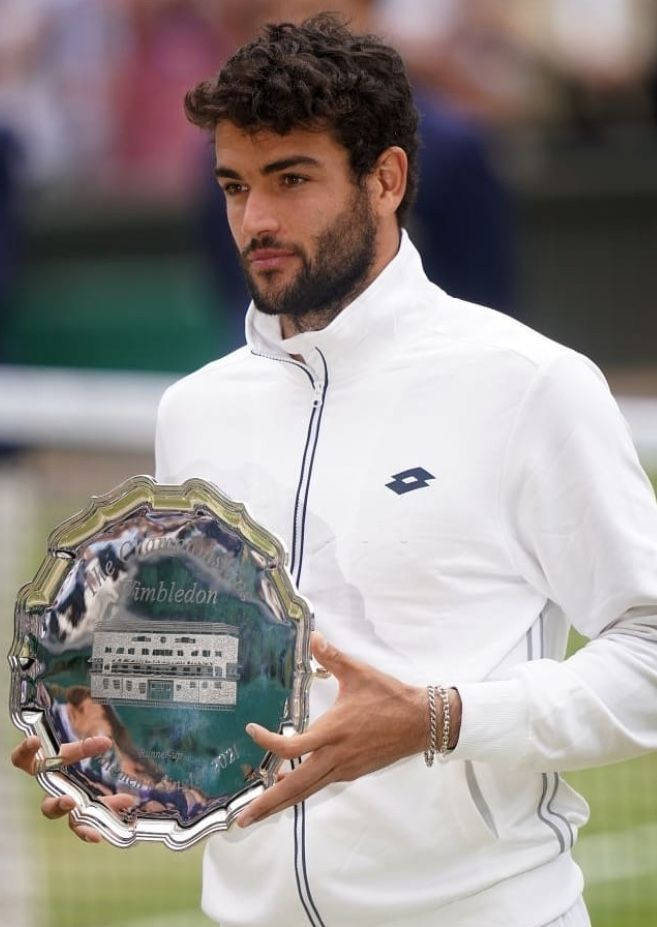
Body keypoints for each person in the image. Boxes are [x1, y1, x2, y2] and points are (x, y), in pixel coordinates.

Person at [11, 13, 657, 927]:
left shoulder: (529, 385)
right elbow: (219, 678)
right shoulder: (192, 411)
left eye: (292, 179)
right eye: (234, 185)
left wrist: (440, 716)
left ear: (385, 178)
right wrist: (129, 743)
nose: (256, 220)